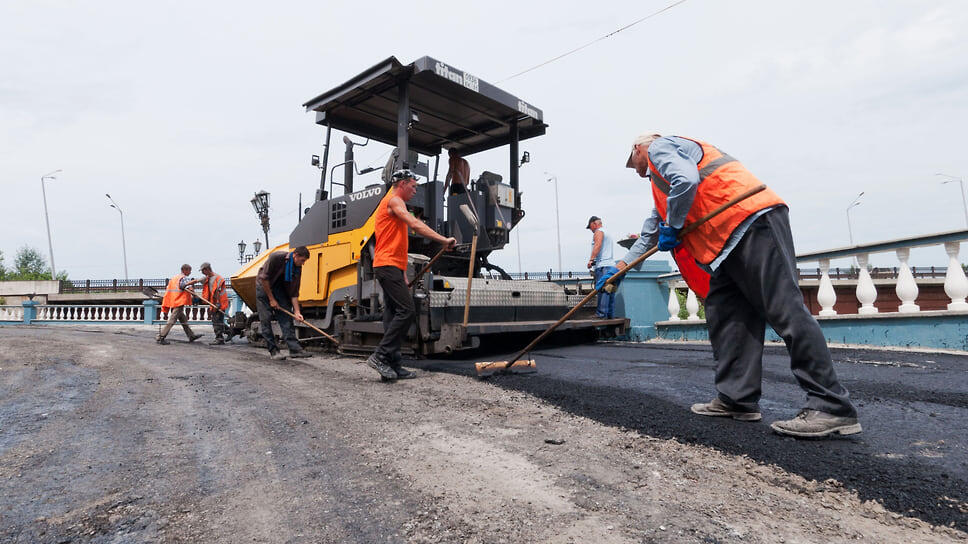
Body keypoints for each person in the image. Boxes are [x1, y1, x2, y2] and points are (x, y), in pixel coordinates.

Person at [609, 133, 860, 438]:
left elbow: (686, 181)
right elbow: (650, 234)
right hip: (726, 246)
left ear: (639, 148)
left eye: (632, 162)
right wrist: (619, 269)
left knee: (785, 310)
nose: (634, 170)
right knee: (727, 317)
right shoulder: (661, 189)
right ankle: (737, 399)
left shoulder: (662, 148)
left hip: (751, 221)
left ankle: (832, 406)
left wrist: (674, 225)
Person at [367, 169, 457, 381]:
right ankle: (380, 356)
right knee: (406, 311)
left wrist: (402, 272)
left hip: (391, 266)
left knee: (392, 316)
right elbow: (415, 224)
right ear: (402, 184)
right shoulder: (394, 200)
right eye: (414, 186)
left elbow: (396, 242)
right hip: (386, 265)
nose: (416, 190)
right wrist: (444, 240)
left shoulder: (396, 202)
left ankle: (393, 364)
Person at [256, 246, 312, 361]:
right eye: (302, 260)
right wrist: (271, 299)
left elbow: (294, 292)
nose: (303, 263)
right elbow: (264, 279)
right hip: (263, 286)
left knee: (286, 316)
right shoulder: (276, 257)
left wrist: (297, 312)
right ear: (295, 255)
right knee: (266, 319)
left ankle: (295, 349)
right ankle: (274, 351)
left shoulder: (297, 268)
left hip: (279, 288)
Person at [156, 264, 203, 345]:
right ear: (185, 270)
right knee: (172, 320)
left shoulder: (174, 278)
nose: (190, 272)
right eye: (189, 270)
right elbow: (187, 287)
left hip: (174, 301)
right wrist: (195, 296)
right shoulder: (183, 278)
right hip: (179, 302)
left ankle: (191, 335)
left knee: (183, 319)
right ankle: (161, 337)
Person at [586, 216, 618, 319]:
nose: (591, 230)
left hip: (603, 266)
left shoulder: (598, 232)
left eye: (590, 227)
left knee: (603, 289)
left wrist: (591, 260)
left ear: (594, 224)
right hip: (611, 266)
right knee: (609, 290)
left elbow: (598, 245)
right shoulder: (607, 232)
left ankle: (601, 314)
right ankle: (609, 315)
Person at [194, 262, 231, 345]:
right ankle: (229, 332)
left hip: (219, 302)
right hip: (214, 303)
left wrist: (218, 303)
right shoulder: (208, 278)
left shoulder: (217, 278)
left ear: (207, 269)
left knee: (216, 321)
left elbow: (217, 291)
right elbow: (199, 281)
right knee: (218, 320)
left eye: (203, 271)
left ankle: (219, 339)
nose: (202, 273)